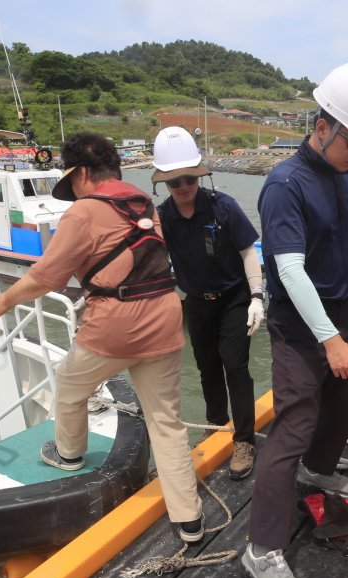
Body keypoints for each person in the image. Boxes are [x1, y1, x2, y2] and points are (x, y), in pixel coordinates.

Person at [0, 132, 204, 543]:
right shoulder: (141, 201)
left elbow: (45, 277)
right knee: (166, 422)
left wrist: (3, 301)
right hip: (166, 318)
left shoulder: (82, 213)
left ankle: (68, 453)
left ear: (81, 172)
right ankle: (189, 520)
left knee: (70, 382)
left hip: (115, 326)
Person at [241, 62, 348, 578]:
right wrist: (329, 339)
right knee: (293, 423)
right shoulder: (284, 184)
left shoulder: (347, 174)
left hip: (338, 306)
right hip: (299, 320)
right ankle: (262, 550)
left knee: (345, 398)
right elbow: (290, 269)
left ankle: (319, 469)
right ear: (323, 125)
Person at [151, 126, 264, 480]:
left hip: (234, 299)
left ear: (199, 175)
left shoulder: (223, 207)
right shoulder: (163, 217)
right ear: (164, 184)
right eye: (174, 182)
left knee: (235, 365)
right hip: (197, 302)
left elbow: (248, 251)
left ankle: (244, 440)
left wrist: (257, 296)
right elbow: (152, 260)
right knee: (206, 367)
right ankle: (216, 424)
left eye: (189, 179)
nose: (183, 187)